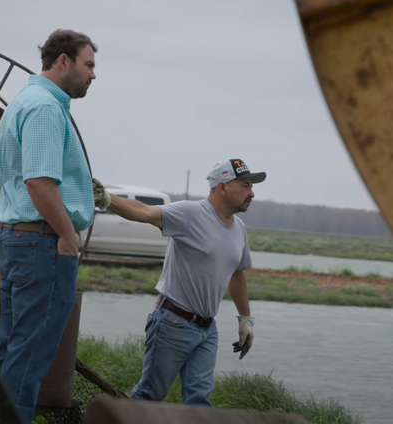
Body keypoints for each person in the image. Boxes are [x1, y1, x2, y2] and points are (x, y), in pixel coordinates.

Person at [0, 29, 97, 424]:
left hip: (19, 240)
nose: (93, 75)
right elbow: (40, 183)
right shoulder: (46, 108)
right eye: (89, 65)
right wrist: (67, 234)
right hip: (42, 244)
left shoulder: (24, 102)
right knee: (29, 359)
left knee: (12, 351)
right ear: (63, 61)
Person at [93, 158, 266, 406]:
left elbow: (237, 273)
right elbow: (144, 212)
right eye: (246, 185)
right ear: (223, 186)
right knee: (149, 397)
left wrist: (245, 319)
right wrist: (107, 199)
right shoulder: (190, 213)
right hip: (173, 323)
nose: (252, 193)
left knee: (199, 400)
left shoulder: (239, 228)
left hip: (208, 330)